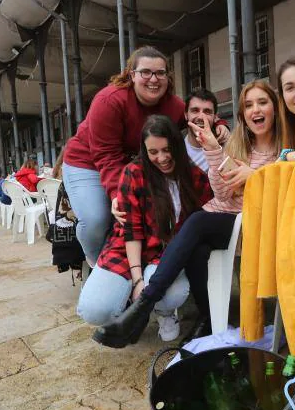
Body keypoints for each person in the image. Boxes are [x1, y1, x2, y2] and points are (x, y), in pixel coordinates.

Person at [98, 80, 283, 347]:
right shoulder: (237, 145)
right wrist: (213, 150)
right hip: (221, 217)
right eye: (248, 105)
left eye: (263, 102)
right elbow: (222, 194)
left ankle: (144, 304)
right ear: (242, 114)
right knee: (197, 247)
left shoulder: (285, 149)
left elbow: (281, 195)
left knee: (197, 221)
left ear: (275, 109)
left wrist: (255, 177)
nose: (256, 110)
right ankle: (208, 318)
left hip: (254, 223)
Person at [62, 46, 230, 268]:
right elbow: (106, 156)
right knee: (97, 219)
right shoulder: (108, 100)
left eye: (160, 73)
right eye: (146, 72)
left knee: (143, 217)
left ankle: (143, 265)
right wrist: (117, 192)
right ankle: (95, 263)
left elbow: (197, 114)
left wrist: (219, 124)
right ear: (132, 75)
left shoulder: (173, 105)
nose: (154, 79)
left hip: (133, 166)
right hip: (87, 163)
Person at [78, 115, 213, 347]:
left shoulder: (194, 176)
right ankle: (130, 300)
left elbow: (213, 207)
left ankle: (162, 311)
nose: (161, 158)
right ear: (145, 150)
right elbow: (132, 232)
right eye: (153, 152)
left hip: (166, 253)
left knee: (172, 295)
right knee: (95, 311)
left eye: (167, 149)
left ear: (177, 146)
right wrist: (138, 279)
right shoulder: (134, 172)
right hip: (126, 248)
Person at [183, 88, 220, 173]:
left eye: (207, 112)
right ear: (186, 115)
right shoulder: (175, 148)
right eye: (195, 111)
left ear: (215, 117)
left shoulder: (227, 147)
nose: (201, 117)